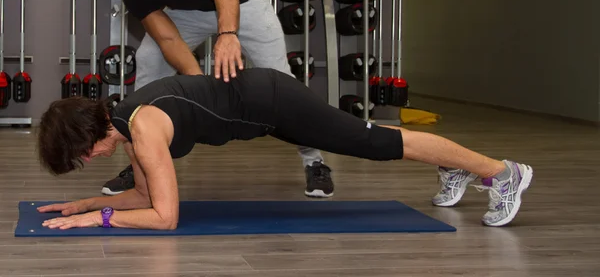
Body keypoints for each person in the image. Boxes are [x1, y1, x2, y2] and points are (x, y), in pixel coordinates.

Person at [36, 68, 533, 230]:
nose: (89, 162)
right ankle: (456, 168)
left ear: (92, 135)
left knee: (374, 142)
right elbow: (143, 200)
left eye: (82, 156)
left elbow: (164, 218)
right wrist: (87, 203)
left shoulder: (142, 130)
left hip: (276, 103)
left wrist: (93, 221)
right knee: (373, 142)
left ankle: (500, 172)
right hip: (264, 107)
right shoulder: (126, 122)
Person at [88, 0, 334, 198]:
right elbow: (167, 38)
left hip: (242, 1)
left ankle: (314, 161)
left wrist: (227, 34)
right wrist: (199, 89)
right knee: (149, 59)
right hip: (187, 13)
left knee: (282, 80)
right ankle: (141, 163)